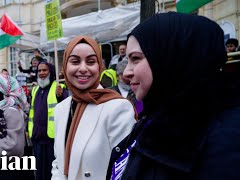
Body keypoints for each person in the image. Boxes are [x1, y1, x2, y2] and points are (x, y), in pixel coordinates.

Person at [113, 12, 240, 180]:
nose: (127, 72)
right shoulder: (156, 116)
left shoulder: (227, 140)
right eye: (127, 60)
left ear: (172, 56)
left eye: (136, 58)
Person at [51, 35, 136, 179]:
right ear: (65, 66)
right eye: (75, 61)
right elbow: (58, 163)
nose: (83, 68)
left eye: (90, 62)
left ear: (100, 67)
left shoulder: (118, 108)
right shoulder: (61, 109)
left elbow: (125, 169)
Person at [28, 61, 68, 180]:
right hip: (37, 140)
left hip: (52, 140)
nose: (41, 73)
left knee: (52, 174)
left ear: (51, 72)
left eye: (44, 70)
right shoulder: (35, 90)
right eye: (39, 70)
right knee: (39, 173)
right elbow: (32, 112)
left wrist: (60, 96)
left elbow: (66, 109)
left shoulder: (59, 88)